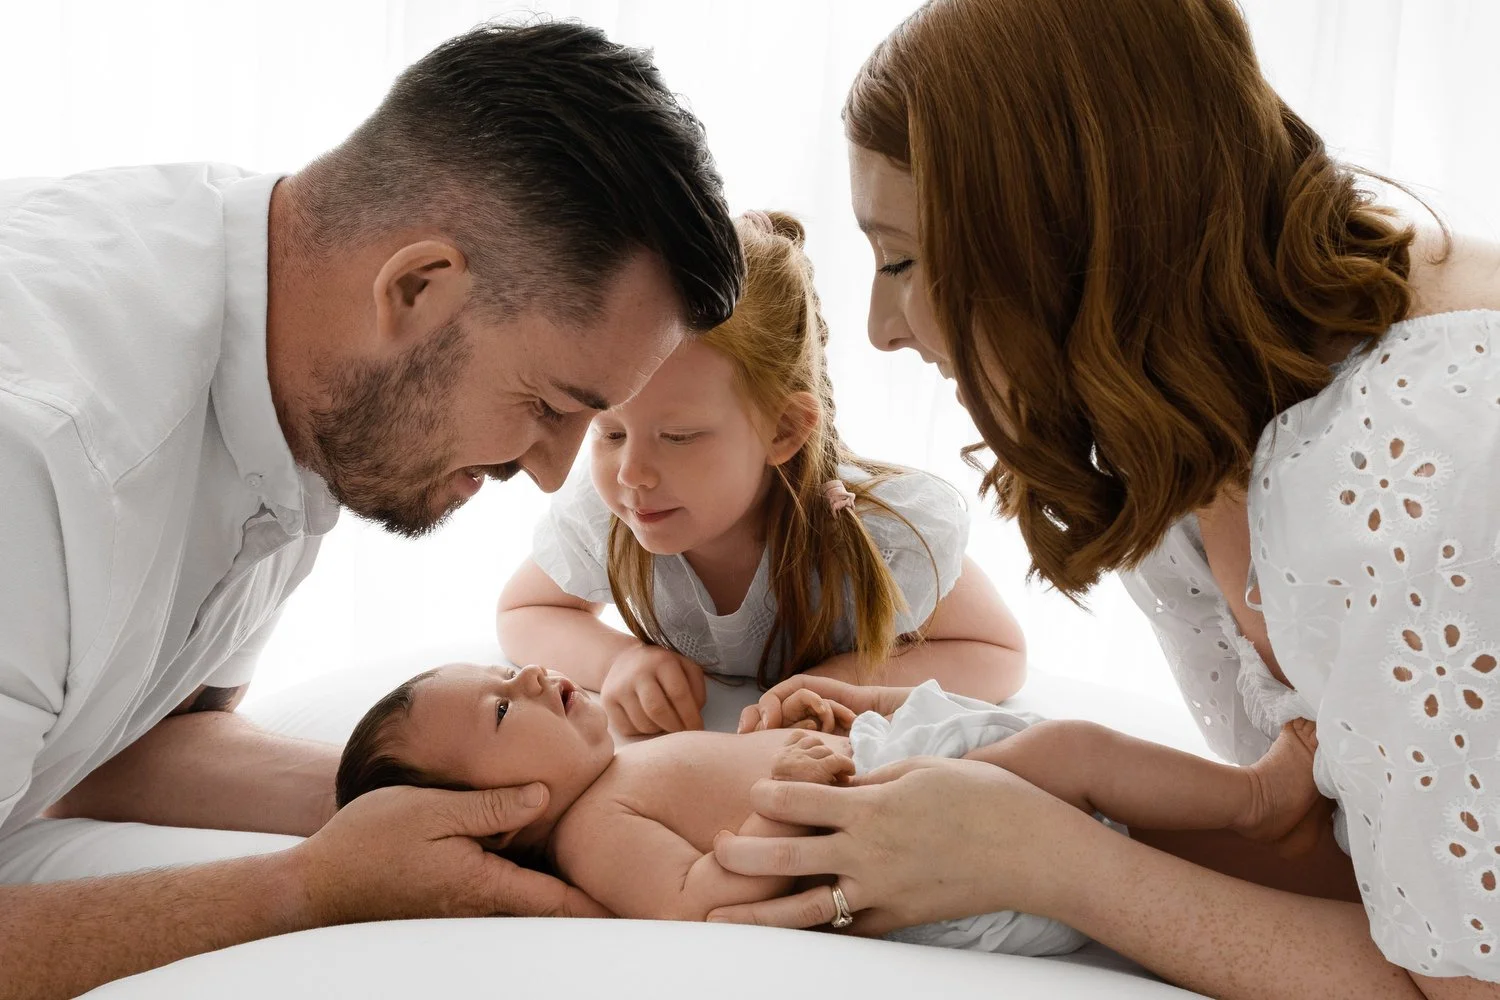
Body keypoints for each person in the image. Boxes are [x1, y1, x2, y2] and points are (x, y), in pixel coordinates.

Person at [708, 1, 1500, 998]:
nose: (877, 327)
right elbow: (1372, 866)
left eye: (902, 260)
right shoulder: (1192, 417)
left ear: (1061, 236)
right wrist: (991, 759)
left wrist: (1048, 859)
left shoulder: (1419, 461)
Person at [0, 20, 743, 998]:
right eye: (550, 408)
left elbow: (124, 744)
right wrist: (309, 890)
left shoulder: (296, 346)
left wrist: (503, 810)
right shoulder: (46, 454)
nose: (557, 474)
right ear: (419, 288)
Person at [334, 663, 1326, 954]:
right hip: (929, 842)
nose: (534, 672)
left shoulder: (620, 767)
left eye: (504, 669)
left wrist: (796, 724)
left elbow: (728, 768)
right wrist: (780, 801)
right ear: (501, 814)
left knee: (1078, 755)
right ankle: (1252, 802)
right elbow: (696, 903)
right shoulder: (597, 832)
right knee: (1077, 753)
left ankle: (1257, 828)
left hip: (908, 784)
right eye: (502, 705)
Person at [498, 212, 1025, 737]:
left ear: (783, 430)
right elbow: (524, 610)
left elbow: (998, 652)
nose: (631, 473)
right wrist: (618, 661)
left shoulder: (875, 531)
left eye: (679, 437)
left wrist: (840, 682)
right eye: (609, 433)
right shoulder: (607, 513)